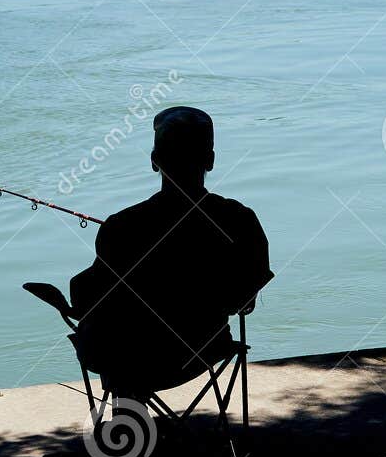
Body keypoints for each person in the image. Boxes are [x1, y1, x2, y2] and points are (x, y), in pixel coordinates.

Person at [69, 106, 271, 394]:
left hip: (131, 359)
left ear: (154, 161)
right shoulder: (240, 219)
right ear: (210, 161)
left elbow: (88, 296)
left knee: (112, 331)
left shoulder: (121, 225)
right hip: (205, 350)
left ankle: (130, 430)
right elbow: (245, 302)